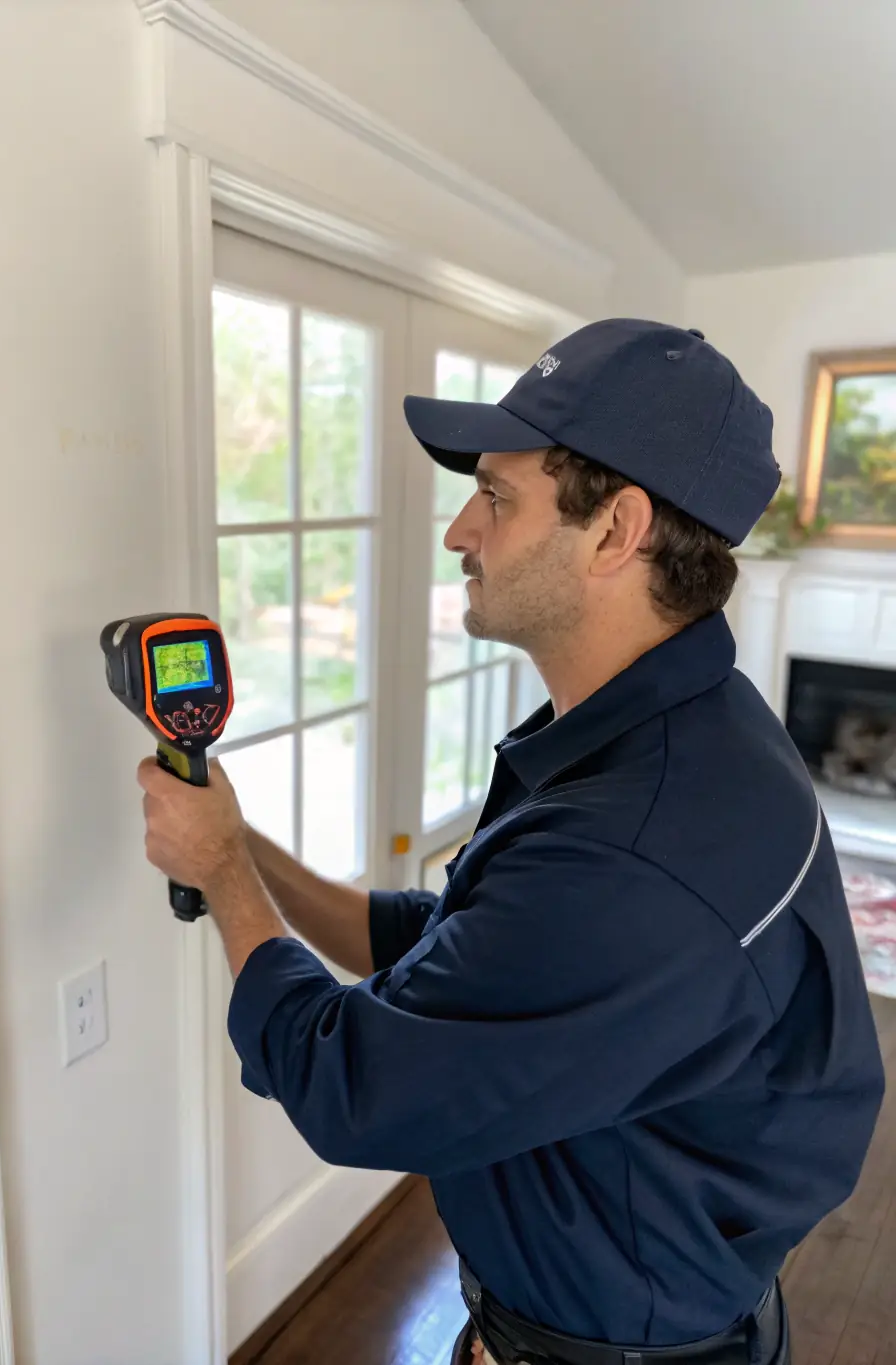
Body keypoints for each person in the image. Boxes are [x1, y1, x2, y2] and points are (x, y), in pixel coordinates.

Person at [138, 319, 885, 1365]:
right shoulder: (675, 730)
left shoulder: (631, 851)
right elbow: (468, 951)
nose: (459, 531)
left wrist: (220, 874)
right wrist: (242, 843)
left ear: (616, 529)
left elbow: (354, 1089)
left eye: (495, 494)